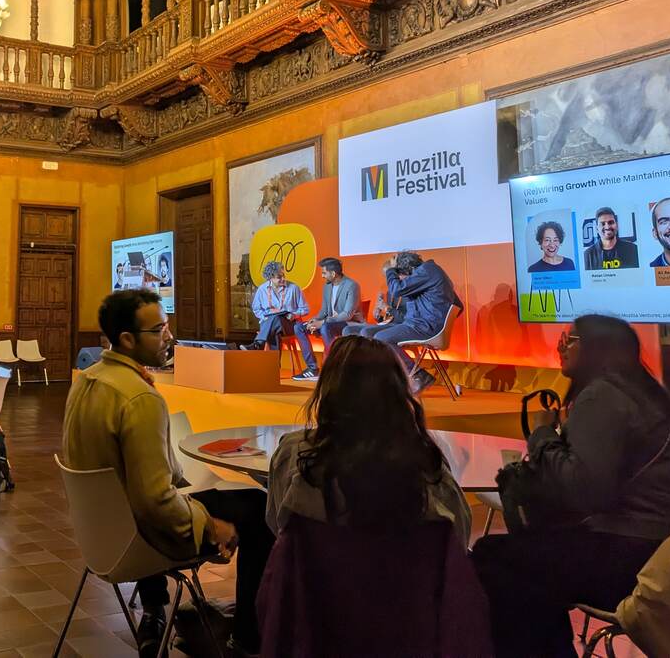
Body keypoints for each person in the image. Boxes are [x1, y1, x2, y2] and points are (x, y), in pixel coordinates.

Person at [472, 314, 670, 658]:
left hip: (638, 557)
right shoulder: (646, 395)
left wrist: (543, 435)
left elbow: (584, 490)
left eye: (568, 339)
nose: (559, 346)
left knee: (493, 558)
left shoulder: (603, 397)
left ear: (595, 349)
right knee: (525, 563)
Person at [63, 290, 273, 657]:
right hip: (140, 536)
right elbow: (155, 502)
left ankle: (154, 611)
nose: (170, 337)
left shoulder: (86, 379)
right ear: (127, 339)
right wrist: (211, 525)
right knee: (259, 510)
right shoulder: (140, 398)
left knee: (236, 500)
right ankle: (248, 637)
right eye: (160, 329)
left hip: (100, 532)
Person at [266, 335, 470, 543]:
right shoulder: (425, 456)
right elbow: (459, 535)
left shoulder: (294, 450)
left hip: (316, 573)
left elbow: (279, 524)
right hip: (410, 573)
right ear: (397, 389)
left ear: (327, 388)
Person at [344, 251, 462, 394]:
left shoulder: (427, 271)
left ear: (409, 270)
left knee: (382, 338)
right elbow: (458, 306)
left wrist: (390, 270)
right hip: (418, 323)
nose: (402, 280)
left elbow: (397, 289)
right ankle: (377, 377)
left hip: (424, 326)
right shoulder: (431, 272)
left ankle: (417, 375)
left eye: (401, 276)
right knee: (367, 332)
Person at [301, 258, 363, 381]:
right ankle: (312, 367)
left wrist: (323, 322)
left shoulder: (352, 285)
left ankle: (335, 367)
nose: (322, 276)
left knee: (325, 327)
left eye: (324, 273)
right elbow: (324, 310)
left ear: (333, 273)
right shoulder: (327, 286)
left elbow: (347, 314)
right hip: (330, 323)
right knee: (299, 327)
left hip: (349, 323)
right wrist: (313, 320)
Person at [245, 261, 313, 362]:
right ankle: (275, 367)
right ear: (270, 278)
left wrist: (294, 315)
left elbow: (305, 309)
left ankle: (258, 344)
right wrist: (265, 318)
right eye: (279, 277)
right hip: (271, 325)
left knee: (275, 319)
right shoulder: (262, 289)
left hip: (289, 324)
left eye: (283, 275)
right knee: (274, 324)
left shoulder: (294, 288)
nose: (283, 279)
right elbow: (256, 309)